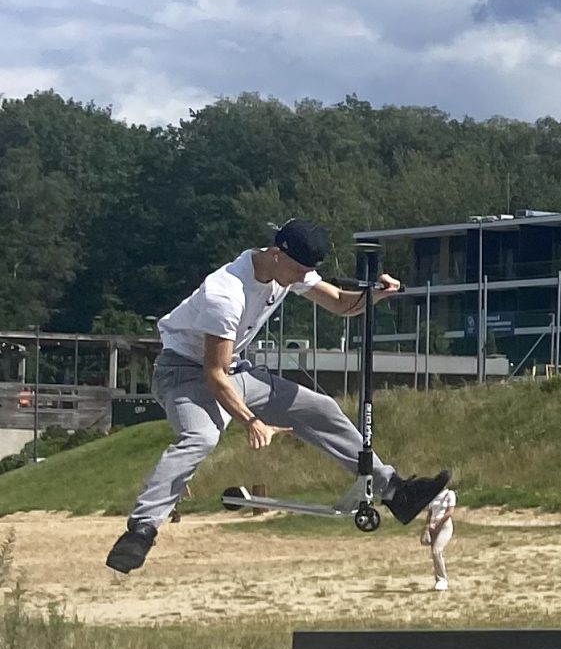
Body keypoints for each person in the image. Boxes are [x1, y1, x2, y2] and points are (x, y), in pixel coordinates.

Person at [106, 220, 450, 574]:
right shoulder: (225, 294)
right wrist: (252, 422)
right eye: (299, 270)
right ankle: (140, 531)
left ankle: (395, 491)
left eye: (307, 271)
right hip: (184, 376)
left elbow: (339, 303)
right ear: (275, 253)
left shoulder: (287, 270)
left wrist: (375, 294)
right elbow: (214, 375)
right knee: (200, 437)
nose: (303, 277)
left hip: (235, 372)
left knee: (320, 408)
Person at [421, 479, 458, 591]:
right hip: (433, 526)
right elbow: (430, 513)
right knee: (435, 554)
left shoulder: (449, 494)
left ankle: (443, 580)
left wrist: (438, 524)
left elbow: (450, 512)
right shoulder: (433, 496)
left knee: (436, 550)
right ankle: (438, 579)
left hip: (444, 526)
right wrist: (427, 526)